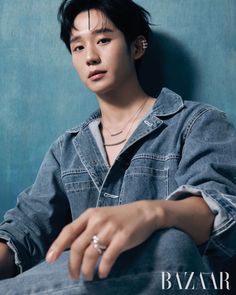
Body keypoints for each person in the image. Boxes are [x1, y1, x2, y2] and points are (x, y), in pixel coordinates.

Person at [0, 0, 235, 294]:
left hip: (177, 283)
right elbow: (24, 230)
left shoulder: (198, 122)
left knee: (171, 245)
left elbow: (222, 212)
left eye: (103, 40)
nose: (91, 57)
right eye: (78, 47)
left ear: (136, 47)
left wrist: (152, 214)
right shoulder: (67, 150)